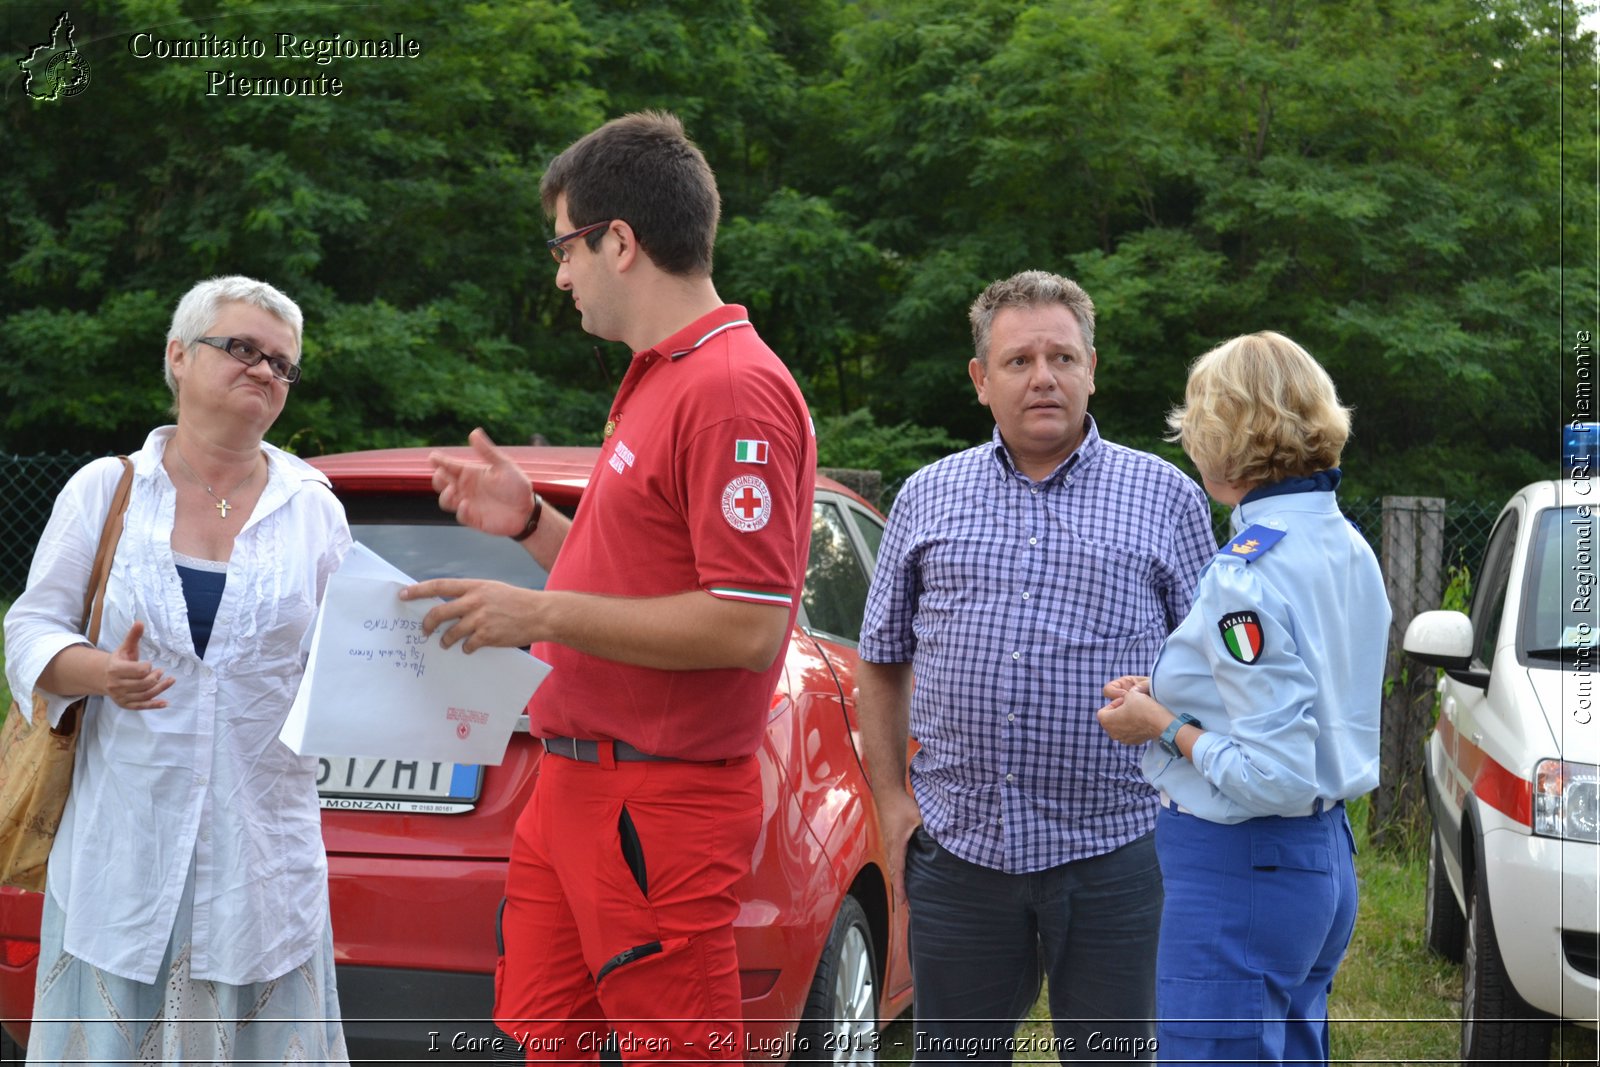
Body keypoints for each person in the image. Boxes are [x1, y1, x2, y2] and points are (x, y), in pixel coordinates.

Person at [398, 111, 815, 1062]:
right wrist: (532, 524)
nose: (558, 274)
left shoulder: (730, 388)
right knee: (549, 1044)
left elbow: (747, 625)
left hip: (654, 804)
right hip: (576, 788)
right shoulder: (657, 376)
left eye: (563, 247)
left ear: (618, 241)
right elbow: (642, 580)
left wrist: (536, 612)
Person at [856, 270, 1217, 1060]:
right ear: (982, 381)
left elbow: (1216, 672)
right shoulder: (928, 496)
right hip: (960, 853)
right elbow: (879, 659)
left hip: (1120, 849)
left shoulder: (1169, 498)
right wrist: (890, 798)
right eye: (1019, 361)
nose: (1043, 376)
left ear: (1094, 367)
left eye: (1062, 356)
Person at [3, 276, 351, 1063]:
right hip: (125, 843)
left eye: (282, 364)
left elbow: (349, 652)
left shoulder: (314, 507)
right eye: (242, 349)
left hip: (261, 853)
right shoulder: (108, 487)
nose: (264, 371)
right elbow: (28, 625)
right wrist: (94, 671)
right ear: (178, 356)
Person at [1095, 331, 1390, 1065]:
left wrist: (1161, 725)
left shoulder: (1246, 574)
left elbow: (1276, 772)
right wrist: (1170, 699)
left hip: (1240, 866)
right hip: (1320, 859)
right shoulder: (1345, 544)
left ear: (1223, 438)